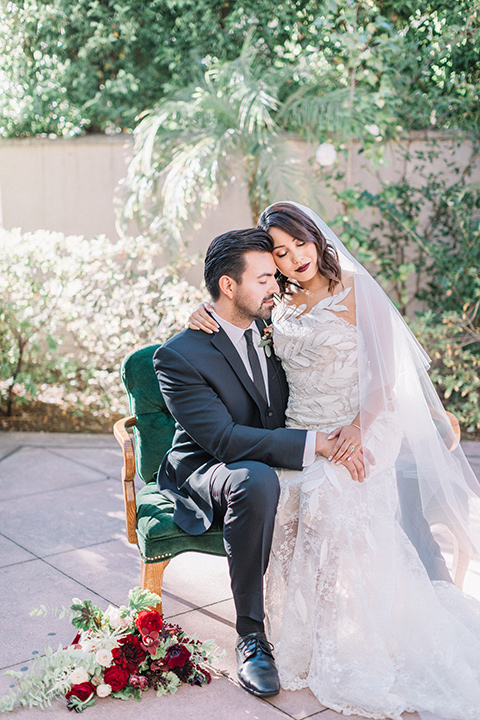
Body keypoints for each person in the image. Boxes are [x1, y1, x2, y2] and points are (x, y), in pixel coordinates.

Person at [188, 202, 480, 720]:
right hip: (303, 425)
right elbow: (236, 309)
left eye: (299, 243)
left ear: (316, 237)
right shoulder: (279, 299)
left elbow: (384, 381)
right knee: (287, 504)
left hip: (364, 418)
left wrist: (357, 430)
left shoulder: (356, 289)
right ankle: (295, 633)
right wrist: (202, 311)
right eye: (279, 252)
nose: (294, 257)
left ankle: (344, 635)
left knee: (329, 495)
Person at [153, 228, 367, 700]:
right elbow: (224, 441)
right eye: (266, 277)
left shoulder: (273, 325)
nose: (278, 286)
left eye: (276, 275)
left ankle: (330, 622)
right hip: (208, 464)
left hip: (273, 448)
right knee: (257, 479)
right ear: (228, 287)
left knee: (337, 487)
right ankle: (251, 636)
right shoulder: (180, 356)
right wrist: (319, 444)